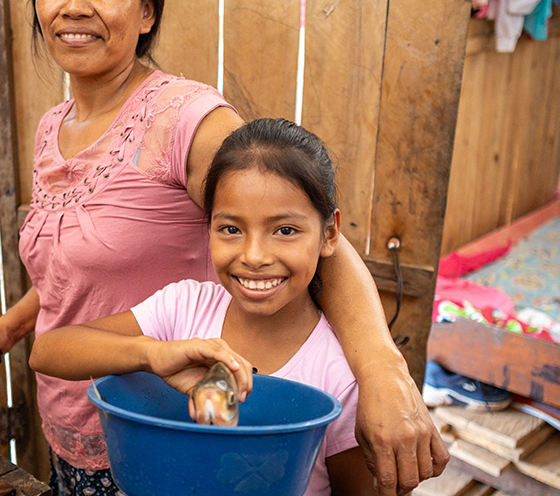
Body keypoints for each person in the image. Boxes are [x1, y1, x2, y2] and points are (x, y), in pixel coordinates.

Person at [0, 0, 447, 494]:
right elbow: (69, 273)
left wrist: (381, 370)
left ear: (146, 10)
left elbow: (299, 232)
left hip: (164, 434)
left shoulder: (185, 120)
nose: (74, 5)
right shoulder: (54, 126)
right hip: (69, 422)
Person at [30, 117, 376, 495]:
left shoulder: (341, 376)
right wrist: (153, 354)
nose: (254, 255)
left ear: (329, 235)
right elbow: (48, 352)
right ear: (207, 226)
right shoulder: (185, 307)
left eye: (285, 230)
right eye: (231, 229)